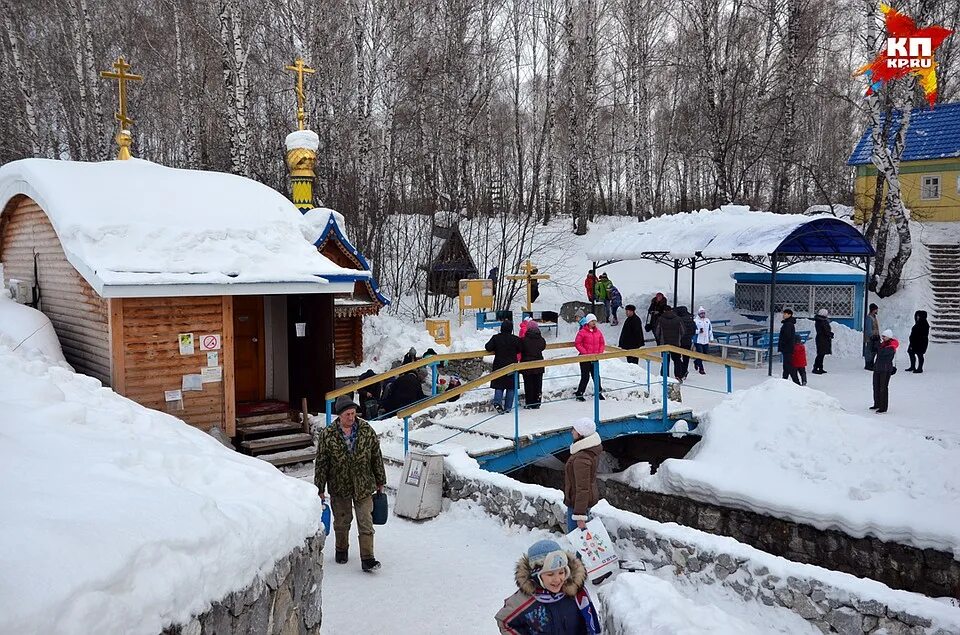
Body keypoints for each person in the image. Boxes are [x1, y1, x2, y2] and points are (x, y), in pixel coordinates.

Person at [315, 395, 387, 572]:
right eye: (347, 414)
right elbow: (322, 462)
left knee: (366, 522)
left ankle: (368, 558)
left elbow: (376, 455)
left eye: (353, 413)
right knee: (342, 521)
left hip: (363, 485)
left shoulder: (366, 430)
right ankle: (341, 549)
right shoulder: (328, 435)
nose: (351, 417)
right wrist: (319, 488)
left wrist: (380, 480)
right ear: (339, 415)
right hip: (340, 485)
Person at [495, 539, 602, 635]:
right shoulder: (524, 601)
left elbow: (590, 622)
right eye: (550, 574)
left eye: (561, 572)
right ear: (536, 575)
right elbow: (504, 621)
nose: (557, 579)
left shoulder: (575, 593)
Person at [565, 417, 602, 532]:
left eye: (574, 430)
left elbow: (582, 488)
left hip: (578, 505)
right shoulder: (589, 450)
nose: (572, 432)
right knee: (582, 540)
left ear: (580, 433)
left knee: (579, 539)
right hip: (580, 502)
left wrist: (580, 516)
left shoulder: (582, 457)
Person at [486, 319, 522, 414]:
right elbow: (520, 349)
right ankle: (508, 408)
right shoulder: (515, 339)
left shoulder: (496, 338)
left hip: (499, 365)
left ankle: (497, 402)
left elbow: (488, 347)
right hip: (512, 365)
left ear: (501, 328)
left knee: (499, 385)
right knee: (511, 387)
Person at [574, 313, 605, 402]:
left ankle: (599, 392)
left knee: (596, 376)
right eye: (592, 321)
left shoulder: (598, 332)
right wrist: (585, 353)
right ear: (588, 322)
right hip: (585, 358)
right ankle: (580, 393)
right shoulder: (582, 332)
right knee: (585, 376)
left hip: (595, 357)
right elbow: (578, 343)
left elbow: (602, 343)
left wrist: (600, 352)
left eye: (595, 321)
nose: (594, 323)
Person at [520, 321, 547, 409]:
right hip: (539, 365)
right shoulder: (541, 339)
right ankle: (537, 402)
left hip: (527, 365)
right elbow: (543, 347)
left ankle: (530, 403)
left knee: (529, 385)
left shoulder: (524, 340)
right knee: (538, 384)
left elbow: (520, 348)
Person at [871, 329, 899, 414]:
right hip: (878, 368)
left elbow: (881, 353)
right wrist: (874, 342)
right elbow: (874, 350)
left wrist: (878, 345)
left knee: (883, 388)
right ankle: (877, 403)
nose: (882, 338)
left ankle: (883, 407)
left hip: (885, 369)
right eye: (882, 336)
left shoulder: (891, 347)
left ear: (889, 337)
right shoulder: (882, 344)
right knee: (876, 386)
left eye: (884, 336)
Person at [655, 305, 685, 379]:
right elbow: (683, 331)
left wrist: (660, 340)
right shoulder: (678, 319)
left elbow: (657, 332)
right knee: (677, 360)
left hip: (664, 344)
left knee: (665, 360)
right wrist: (679, 339)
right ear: (671, 310)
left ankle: (664, 376)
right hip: (676, 344)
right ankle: (678, 376)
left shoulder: (660, 319)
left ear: (664, 311)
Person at [778, 308, 800, 385]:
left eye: (785, 314)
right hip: (788, 348)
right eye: (783, 313)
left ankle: (796, 382)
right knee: (786, 365)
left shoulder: (788, 324)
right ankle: (784, 380)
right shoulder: (788, 323)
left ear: (789, 315)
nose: (783, 315)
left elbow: (787, 336)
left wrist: (783, 344)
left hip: (787, 348)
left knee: (789, 365)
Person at [675, 306, 696, 381]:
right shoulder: (691, 321)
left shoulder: (678, 320)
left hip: (679, 341)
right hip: (688, 341)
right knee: (686, 358)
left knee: (676, 357)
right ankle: (684, 371)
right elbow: (693, 331)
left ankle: (681, 370)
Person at [692, 307, 713, 375]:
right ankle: (701, 369)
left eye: (703, 313)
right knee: (700, 353)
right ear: (699, 314)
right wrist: (698, 331)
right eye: (701, 313)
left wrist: (711, 338)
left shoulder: (707, 320)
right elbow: (692, 331)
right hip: (698, 340)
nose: (702, 315)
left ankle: (696, 361)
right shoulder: (695, 321)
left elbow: (710, 330)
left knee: (704, 353)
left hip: (705, 340)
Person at [812, 308, 833, 374]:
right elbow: (825, 331)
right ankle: (816, 368)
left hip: (821, 339)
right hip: (823, 339)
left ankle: (820, 368)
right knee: (820, 354)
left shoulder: (819, 321)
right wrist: (830, 334)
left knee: (821, 354)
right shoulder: (822, 321)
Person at [864, 303, 880, 370]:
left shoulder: (874, 317)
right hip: (870, 338)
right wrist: (871, 336)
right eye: (876, 309)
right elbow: (868, 328)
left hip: (875, 337)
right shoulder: (869, 318)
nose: (877, 311)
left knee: (874, 350)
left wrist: (878, 335)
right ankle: (868, 364)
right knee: (869, 351)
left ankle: (872, 363)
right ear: (873, 310)